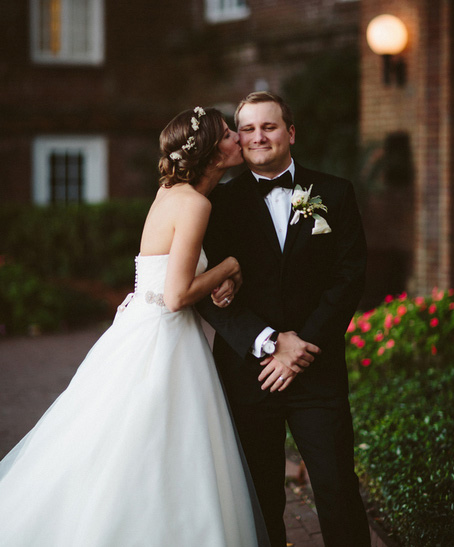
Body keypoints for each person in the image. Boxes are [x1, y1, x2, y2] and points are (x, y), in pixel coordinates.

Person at [0, 106, 270, 547]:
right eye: (228, 135)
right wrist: (230, 266)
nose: (239, 138)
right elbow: (177, 295)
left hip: (142, 326)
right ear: (210, 152)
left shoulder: (168, 192)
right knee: (159, 446)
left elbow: (159, 278)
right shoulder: (196, 203)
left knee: (127, 444)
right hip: (164, 334)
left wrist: (219, 279)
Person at [197, 91, 371, 547]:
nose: (258, 137)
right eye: (248, 128)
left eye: (269, 126)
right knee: (259, 495)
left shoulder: (334, 192)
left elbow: (349, 277)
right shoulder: (215, 205)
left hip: (317, 368)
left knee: (336, 487)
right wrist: (271, 342)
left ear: (290, 133)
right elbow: (204, 291)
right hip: (247, 371)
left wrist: (302, 346)